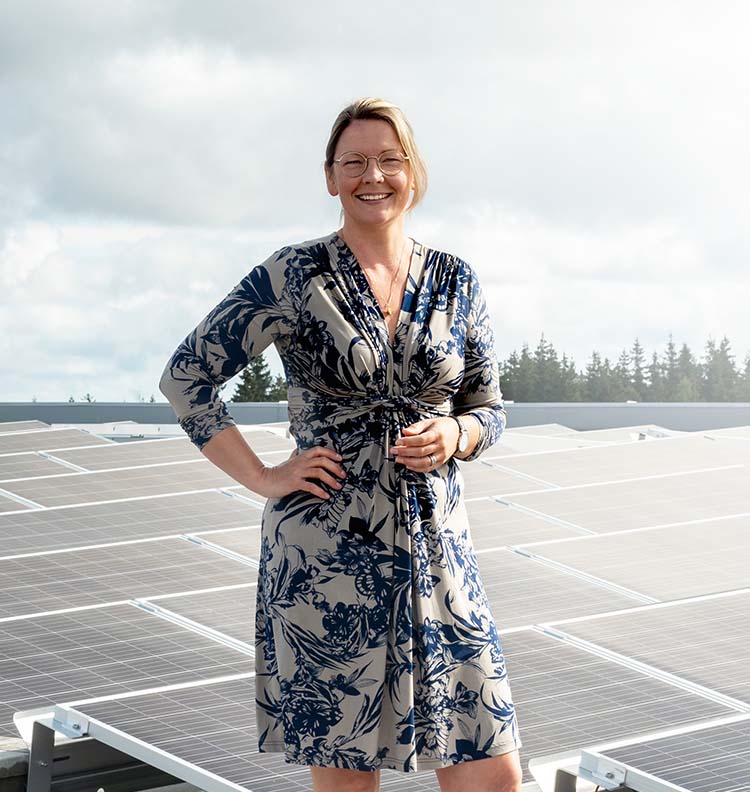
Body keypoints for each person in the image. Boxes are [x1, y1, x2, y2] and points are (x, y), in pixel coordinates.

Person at [159, 97, 523, 792]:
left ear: (413, 173)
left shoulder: (456, 279)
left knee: (492, 772)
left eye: (389, 160)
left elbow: (490, 409)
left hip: (438, 553)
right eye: (353, 162)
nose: (372, 176)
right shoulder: (292, 274)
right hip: (326, 561)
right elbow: (186, 379)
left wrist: (456, 432)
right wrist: (266, 477)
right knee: (349, 780)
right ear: (330, 178)